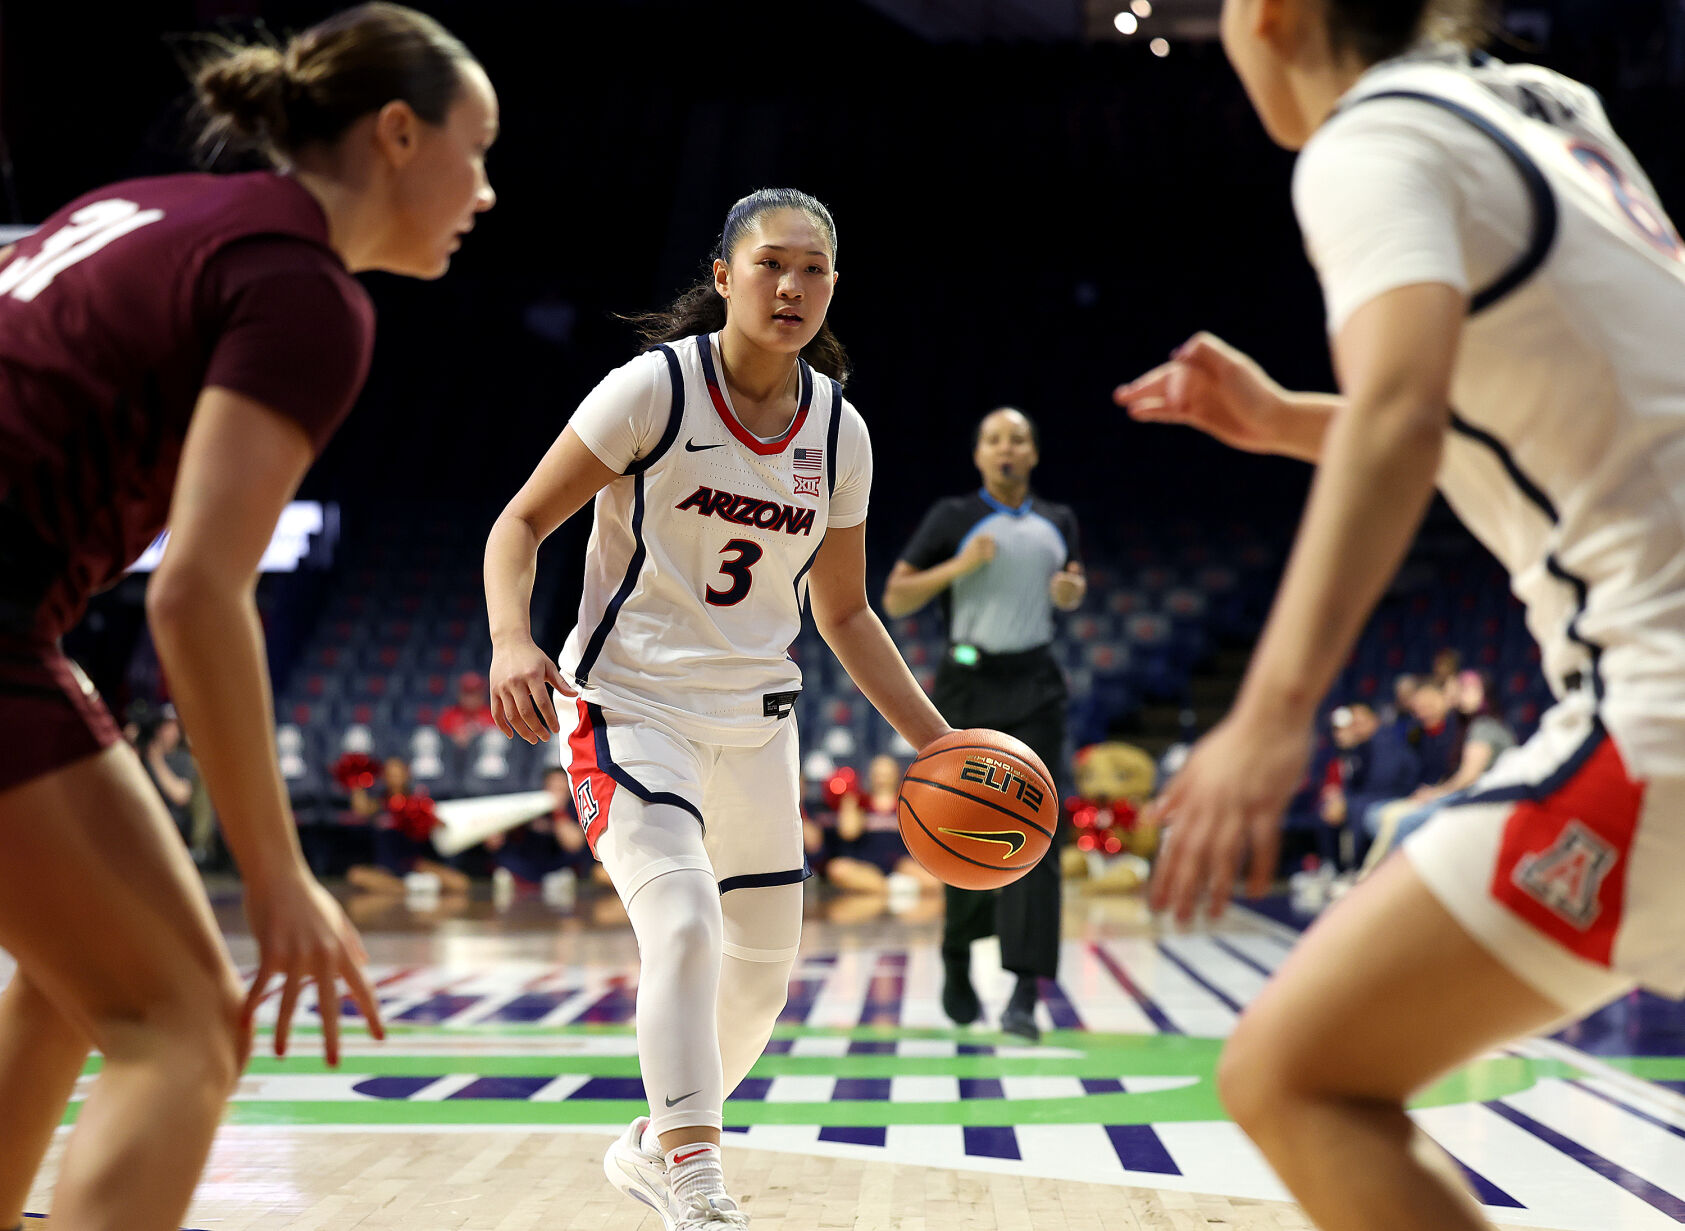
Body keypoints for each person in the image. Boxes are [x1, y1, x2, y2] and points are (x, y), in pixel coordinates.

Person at [1115, 2, 1685, 1227]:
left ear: (1271, 12)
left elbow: (1401, 413)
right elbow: (1535, 400)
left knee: (1292, 1075)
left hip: (1662, 710)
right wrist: (1279, 423)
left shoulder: (1365, 141)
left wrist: (1270, 716)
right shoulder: (1550, 110)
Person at [0, 7, 495, 1228]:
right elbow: (197, 593)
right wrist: (275, 874)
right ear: (395, 133)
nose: (484, 191)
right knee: (180, 1024)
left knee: (84, 984)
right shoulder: (303, 291)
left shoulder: (156, 209)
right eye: (474, 152)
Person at [485, 187, 951, 1230]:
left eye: (814, 270)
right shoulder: (651, 391)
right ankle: (698, 1184)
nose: (792, 287)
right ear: (724, 276)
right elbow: (518, 523)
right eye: (771, 264)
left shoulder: (839, 433)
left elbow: (845, 613)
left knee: (762, 977)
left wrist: (940, 744)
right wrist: (512, 638)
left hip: (754, 724)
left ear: (832, 288)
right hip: (627, 703)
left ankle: (656, 1140)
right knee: (684, 923)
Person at [883, 405, 1084, 1042]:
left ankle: (1025, 990)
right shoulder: (953, 517)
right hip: (966, 685)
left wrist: (1071, 594)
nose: (1005, 448)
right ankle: (957, 956)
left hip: (1036, 684)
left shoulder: (1059, 521)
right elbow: (895, 596)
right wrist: (959, 567)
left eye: (1017, 438)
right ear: (979, 455)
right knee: (962, 824)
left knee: (1037, 835)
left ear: (1032, 453)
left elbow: (1069, 585)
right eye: (994, 438)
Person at [345, 755, 470, 896]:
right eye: (390, 775)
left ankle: (405, 888)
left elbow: (440, 825)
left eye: (398, 775)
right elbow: (361, 809)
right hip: (385, 870)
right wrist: (357, 782)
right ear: (384, 777)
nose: (395, 779)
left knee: (460, 883)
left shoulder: (418, 803)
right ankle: (406, 888)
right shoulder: (379, 804)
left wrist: (424, 820)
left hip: (415, 865)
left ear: (407, 775)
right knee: (355, 875)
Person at [826, 754, 940, 893]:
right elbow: (848, 833)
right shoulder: (860, 801)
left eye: (886, 774)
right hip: (867, 867)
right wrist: (850, 804)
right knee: (838, 868)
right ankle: (888, 888)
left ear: (896, 774)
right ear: (870, 775)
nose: (882, 778)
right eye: (878, 773)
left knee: (937, 880)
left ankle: (884, 889)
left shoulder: (909, 803)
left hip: (902, 865)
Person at [438, 669, 497, 748]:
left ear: (482, 695)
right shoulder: (448, 716)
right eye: (467, 693)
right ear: (459, 694)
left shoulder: (493, 715)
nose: (470, 699)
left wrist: (476, 735)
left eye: (474, 693)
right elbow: (441, 742)